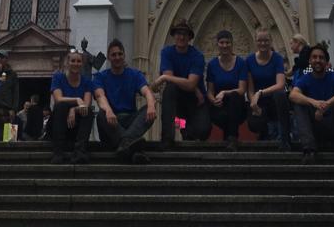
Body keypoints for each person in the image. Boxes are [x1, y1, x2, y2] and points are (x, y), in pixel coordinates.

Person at [93, 38, 157, 163]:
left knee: (148, 111)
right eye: (113, 55)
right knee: (102, 114)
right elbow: (100, 96)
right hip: (111, 124)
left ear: (124, 55)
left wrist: (151, 105)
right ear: (109, 57)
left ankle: (125, 144)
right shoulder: (100, 77)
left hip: (129, 121)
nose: (117, 57)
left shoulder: (135, 75)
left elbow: (147, 91)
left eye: (120, 54)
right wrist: (108, 110)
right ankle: (133, 147)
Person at [289, 43, 334, 164]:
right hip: (313, 127)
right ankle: (309, 150)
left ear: (326, 62)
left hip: (332, 126)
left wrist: (327, 104)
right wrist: (314, 103)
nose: (317, 60)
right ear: (309, 61)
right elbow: (293, 95)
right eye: (314, 57)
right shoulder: (305, 78)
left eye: (321, 58)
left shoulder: (333, 77)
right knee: (299, 104)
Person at [153, 18, 211, 147]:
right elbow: (171, 78)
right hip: (178, 99)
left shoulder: (197, 56)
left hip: (196, 100)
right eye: (178, 33)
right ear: (174, 35)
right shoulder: (167, 52)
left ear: (190, 37)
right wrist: (192, 86)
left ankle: (188, 132)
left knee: (203, 131)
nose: (182, 37)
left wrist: (165, 78)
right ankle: (167, 137)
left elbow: (190, 83)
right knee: (170, 90)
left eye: (185, 34)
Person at [246, 29, 291, 150]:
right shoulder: (249, 60)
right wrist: (253, 103)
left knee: (280, 95)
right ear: (255, 41)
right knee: (254, 124)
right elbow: (250, 89)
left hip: (274, 100)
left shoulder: (277, 58)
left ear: (271, 41)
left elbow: (280, 84)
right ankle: (263, 133)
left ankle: (285, 138)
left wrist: (260, 92)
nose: (263, 43)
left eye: (266, 40)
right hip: (259, 102)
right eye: (260, 40)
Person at [49, 50, 94, 164]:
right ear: (67, 63)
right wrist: (77, 99)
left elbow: (86, 105)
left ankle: (80, 151)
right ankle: (58, 152)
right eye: (73, 61)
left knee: (88, 111)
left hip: (75, 124)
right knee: (61, 106)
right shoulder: (58, 77)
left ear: (82, 64)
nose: (76, 63)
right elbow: (58, 99)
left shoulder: (87, 81)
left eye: (79, 61)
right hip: (58, 123)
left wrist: (73, 109)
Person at [206, 29, 247, 149]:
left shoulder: (241, 63)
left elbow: (242, 90)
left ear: (232, 44)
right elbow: (210, 91)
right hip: (219, 106)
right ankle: (230, 139)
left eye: (227, 42)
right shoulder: (212, 65)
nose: (225, 45)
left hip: (237, 106)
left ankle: (232, 138)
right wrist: (213, 100)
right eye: (222, 42)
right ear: (217, 44)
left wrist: (224, 92)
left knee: (234, 97)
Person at [0, 51, 20, 141]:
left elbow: (16, 93)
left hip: (7, 108)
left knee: (9, 139)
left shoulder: (12, 74)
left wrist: (14, 109)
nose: (0, 60)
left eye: (2, 58)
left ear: (6, 59)